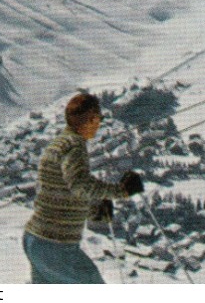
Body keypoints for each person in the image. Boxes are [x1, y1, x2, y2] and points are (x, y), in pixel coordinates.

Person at [22, 92, 143, 283]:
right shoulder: (75, 147)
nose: (99, 123)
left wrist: (92, 208)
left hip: (35, 239)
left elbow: (58, 193)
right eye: (98, 118)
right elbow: (80, 185)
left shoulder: (57, 144)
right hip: (56, 245)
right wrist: (122, 190)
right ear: (89, 119)